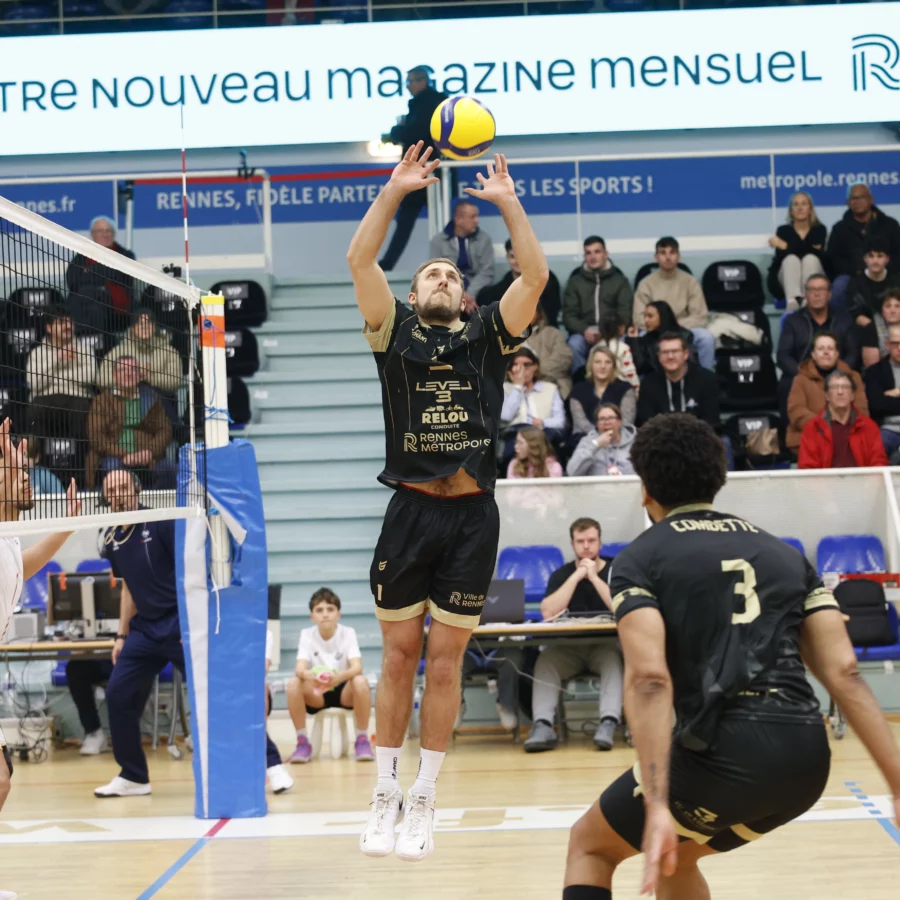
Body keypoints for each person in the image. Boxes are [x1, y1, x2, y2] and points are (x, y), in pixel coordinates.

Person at [562, 412, 900, 900]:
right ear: (718, 480)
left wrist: (657, 804)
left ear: (645, 489)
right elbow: (845, 673)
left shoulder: (640, 559)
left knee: (590, 846)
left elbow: (650, 681)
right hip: (805, 762)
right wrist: (895, 782)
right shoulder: (785, 555)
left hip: (722, 757)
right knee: (677, 857)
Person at [346, 144, 548, 861]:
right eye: (430, 270)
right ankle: (385, 792)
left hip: (471, 513)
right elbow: (360, 261)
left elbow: (536, 275)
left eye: (450, 273)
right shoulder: (391, 329)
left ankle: (426, 796)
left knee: (444, 662)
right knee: (397, 657)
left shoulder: (489, 333)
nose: (440, 276)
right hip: (408, 510)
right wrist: (395, 191)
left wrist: (508, 204)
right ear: (412, 294)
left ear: (464, 296)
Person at [0, 419, 80, 900]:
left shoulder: (8, 538)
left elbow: (24, 565)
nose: (29, 476)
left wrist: (68, 529)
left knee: (1, 782)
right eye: (20, 471)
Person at [93, 469, 184, 798]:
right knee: (117, 694)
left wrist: (190, 624)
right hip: (144, 630)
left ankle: (261, 763)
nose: (117, 493)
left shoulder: (160, 521)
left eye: (122, 486)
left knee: (212, 694)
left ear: (136, 489)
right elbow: (128, 587)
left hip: (177, 623)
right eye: (110, 489)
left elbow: (187, 572)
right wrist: (121, 635)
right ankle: (133, 775)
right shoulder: (112, 538)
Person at [524, 517, 623, 754]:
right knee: (546, 661)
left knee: (613, 662)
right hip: (568, 647)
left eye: (591, 540)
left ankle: (608, 724)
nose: (586, 546)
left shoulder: (616, 570)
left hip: (604, 645)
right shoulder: (562, 574)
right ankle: (543, 725)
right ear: (573, 544)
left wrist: (594, 578)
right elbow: (548, 612)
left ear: (600, 543)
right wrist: (577, 577)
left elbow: (621, 606)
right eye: (581, 541)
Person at [285, 588, 374, 764]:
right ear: (312, 616)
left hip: (343, 692)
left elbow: (357, 667)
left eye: (330, 609)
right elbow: (299, 669)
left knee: (360, 681)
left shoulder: (348, 633)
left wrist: (339, 677)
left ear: (338, 614)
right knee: (294, 683)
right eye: (319, 610)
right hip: (318, 693)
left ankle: (362, 740)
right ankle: (302, 742)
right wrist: (309, 675)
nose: (325, 614)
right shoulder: (307, 634)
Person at [378, 67, 447, 273]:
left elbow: (416, 133)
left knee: (412, 218)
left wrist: (396, 131)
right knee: (437, 219)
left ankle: (388, 264)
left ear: (422, 81)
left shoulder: (428, 104)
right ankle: (446, 263)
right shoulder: (435, 102)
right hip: (429, 169)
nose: (407, 87)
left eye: (410, 82)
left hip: (425, 168)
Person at [776, 274, 857, 422]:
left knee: (855, 381)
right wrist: (805, 376)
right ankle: (790, 440)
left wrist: (837, 374)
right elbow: (783, 356)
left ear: (829, 294)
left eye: (821, 289)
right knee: (787, 384)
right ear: (806, 295)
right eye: (812, 290)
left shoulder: (844, 319)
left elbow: (852, 353)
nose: (817, 294)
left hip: (836, 372)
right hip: (802, 375)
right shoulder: (793, 321)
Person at [85, 356, 174, 489]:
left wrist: (149, 452)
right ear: (114, 375)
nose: (128, 373)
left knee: (172, 470)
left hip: (148, 458)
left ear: (139, 375)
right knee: (113, 469)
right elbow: (96, 438)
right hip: (114, 457)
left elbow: (165, 429)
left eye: (133, 369)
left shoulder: (151, 398)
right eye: (122, 370)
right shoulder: (100, 401)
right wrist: (125, 455)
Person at [633, 238, 715, 371]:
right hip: (655, 330)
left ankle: (707, 379)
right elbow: (639, 318)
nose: (668, 257)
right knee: (640, 339)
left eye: (672, 252)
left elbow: (700, 316)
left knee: (706, 337)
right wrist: (661, 324)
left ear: (678, 256)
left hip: (683, 327)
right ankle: (644, 383)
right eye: (663, 253)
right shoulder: (646, 284)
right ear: (656, 257)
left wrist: (674, 325)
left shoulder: (690, 282)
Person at [25, 307, 96, 460]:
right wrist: (57, 358)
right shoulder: (37, 352)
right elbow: (35, 383)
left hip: (76, 397)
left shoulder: (85, 350)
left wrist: (54, 376)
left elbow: (90, 377)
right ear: (49, 328)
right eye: (62, 322)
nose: (68, 326)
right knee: (35, 410)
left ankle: (79, 463)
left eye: (70, 323)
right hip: (45, 398)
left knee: (83, 410)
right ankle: (40, 462)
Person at [786, 332, 867, 455]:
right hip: (810, 437)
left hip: (848, 436)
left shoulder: (853, 377)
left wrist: (842, 430)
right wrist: (824, 427)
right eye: (821, 349)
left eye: (830, 348)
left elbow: (861, 410)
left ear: (837, 354)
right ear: (813, 354)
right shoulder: (800, 379)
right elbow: (796, 411)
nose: (826, 352)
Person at [562, 236, 633, 374]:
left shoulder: (620, 281)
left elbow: (625, 312)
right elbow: (569, 315)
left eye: (597, 252)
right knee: (574, 344)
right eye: (588, 253)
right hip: (585, 332)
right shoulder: (575, 282)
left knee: (625, 343)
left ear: (606, 254)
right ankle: (583, 381)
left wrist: (608, 331)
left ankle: (618, 381)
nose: (592, 257)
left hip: (613, 331)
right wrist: (584, 330)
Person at [827, 183, 900, 310]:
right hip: (852, 275)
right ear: (848, 203)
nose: (857, 202)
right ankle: (841, 326)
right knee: (839, 286)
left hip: (888, 274)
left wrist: (882, 268)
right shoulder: (839, 228)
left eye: (862, 198)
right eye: (854, 199)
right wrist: (857, 270)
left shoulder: (890, 224)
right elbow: (833, 259)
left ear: (871, 200)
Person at [798, 370, 888, 469]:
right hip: (825, 483)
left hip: (861, 483)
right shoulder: (813, 428)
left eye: (845, 387)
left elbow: (879, 463)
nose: (840, 392)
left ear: (853, 395)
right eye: (835, 387)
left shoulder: (868, 426)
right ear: (827, 395)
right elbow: (807, 468)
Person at [65, 216, 137, 335]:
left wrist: (90, 272)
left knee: (98, 301)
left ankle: (92, 340)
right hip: (86, 303)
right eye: (100, 231)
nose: (105, 234)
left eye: (108, 231)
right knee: (81, 297)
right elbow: (72, 282)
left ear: (113, 234)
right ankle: (81, 338)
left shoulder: (126, 255)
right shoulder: (81, 257)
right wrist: (103, 272)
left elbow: (123, 277)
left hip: (116, 310)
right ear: (92, 235)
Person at [636, 333, 719, 428]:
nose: (670, 356)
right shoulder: (648, 383)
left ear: (685, 354)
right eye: (665, 352)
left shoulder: (707, 379)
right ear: (659, 356)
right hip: (660, 439)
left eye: (675, 351)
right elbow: (647, 423)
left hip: (699, 438)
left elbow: (711, 422)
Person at [98, 308, 183, 398]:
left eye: (148, 322)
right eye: (139, 323)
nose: (144, 326)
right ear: (132, 328)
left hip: (160, 401)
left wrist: (149, 377)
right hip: (124, 401)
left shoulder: (169, 352)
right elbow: (101, 379)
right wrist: (130, 377)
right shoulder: (118, 351)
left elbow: (174, 381)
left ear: (155, 327)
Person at [428, 199, 494, 315]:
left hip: (477, 291)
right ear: (459, 219)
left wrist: (469, 294)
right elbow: (436, 272)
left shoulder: (484, 239)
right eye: (473, 217)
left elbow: (486, 272)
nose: (477, 221)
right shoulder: (438, 241)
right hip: (449, 289)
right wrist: (459, 293)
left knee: (491, 294)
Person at [478, 238, 563, 327]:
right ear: (507, 257)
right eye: (513, 256)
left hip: (542, 331)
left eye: (522, 256)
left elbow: (552, 312)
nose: (518, 261)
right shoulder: (501, 287)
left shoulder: (547, 280)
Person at [765, 190, 827, 310]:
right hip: (786, 280)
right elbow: (781, 257)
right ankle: (792, 302)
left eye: (804, 204)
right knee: (791, 259)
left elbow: (816, 254)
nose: (800, 208)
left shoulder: (819, 229)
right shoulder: (783, 230)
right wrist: (806, 248)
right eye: (796, 204)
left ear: (810, 209)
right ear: (791, 210)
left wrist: (786, 246)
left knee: (810, 259)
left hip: (815, 278)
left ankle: (807, 301)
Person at [501, 347, 567, 458]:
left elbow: (560, 421)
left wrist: (542, 422)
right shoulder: (504, 389)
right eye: (516, 365)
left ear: (535, 367)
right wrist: (517, 387)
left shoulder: (550, 388)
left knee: (550, 438)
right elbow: (505, 416)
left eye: (526, 365)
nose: (521, 370)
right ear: (510, 369)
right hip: (514, 438)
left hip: (543, 434)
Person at [569, 346, 636, 439]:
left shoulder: (625, 389)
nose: (602, 366)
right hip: (586, 439)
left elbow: (626, 422)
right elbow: (581, 424)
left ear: (613, 366)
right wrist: (600, 438)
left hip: (619, 440)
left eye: (607, 362)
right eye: (597, 362)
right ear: (590, 365)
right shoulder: (578, 390)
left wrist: (610, 437)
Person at [566, 403, 636, 477]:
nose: (606, 422)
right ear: (597, 424)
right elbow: (572, 472)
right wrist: (595, 444)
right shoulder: (587, 442)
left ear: (619, 422)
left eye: (611, 418)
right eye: (602, 419)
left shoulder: (635, 442)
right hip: (597, 488)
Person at [520, 303, 573, 400]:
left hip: (552, 383)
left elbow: (564, 359)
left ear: (539, 313)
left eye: (531, 310)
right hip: (519, 388)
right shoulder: (508, 339)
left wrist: (535, 372)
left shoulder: (553, 333)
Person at [264, 627, 294, 794]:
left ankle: (273, 765)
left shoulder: (262, 631)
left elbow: (261, 669)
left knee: (258, 686)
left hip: (246, 687)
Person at [66, 655, 115, 756]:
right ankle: (94, 732)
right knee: (75, 668)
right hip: (100, 657)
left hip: (128, 657)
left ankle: (126, 734)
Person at [628, 300, 690, 378]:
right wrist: (634, 340)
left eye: (650, 316)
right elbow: (640, 368)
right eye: (645, 317)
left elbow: (690, 365)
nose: (646, 320)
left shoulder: (684, 336)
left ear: (662, 316)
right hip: (655, 381)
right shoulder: (646, 339)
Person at [846, 238, 900, 325]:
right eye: (871, 256)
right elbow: (857, 315)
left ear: (887, 259)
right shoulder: (855, 283)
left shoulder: (897, 281)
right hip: (868, 328)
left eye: (880, 256)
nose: (875, 261)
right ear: (865, 259)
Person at [865, 323, 900, 456]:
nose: (899, 348)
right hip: (887, 430)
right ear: (887, 344)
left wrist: (896, 392)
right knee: (875, 448)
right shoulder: (875, 372)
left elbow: (884, 403)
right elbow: (877, 405)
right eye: (895, 343)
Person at [860, 288, 900, 369]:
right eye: (888, 306)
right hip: (882, 373)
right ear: (882, 310)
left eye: (897, 306)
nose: (893, 311)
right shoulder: (871, 329)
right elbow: (872, 367)